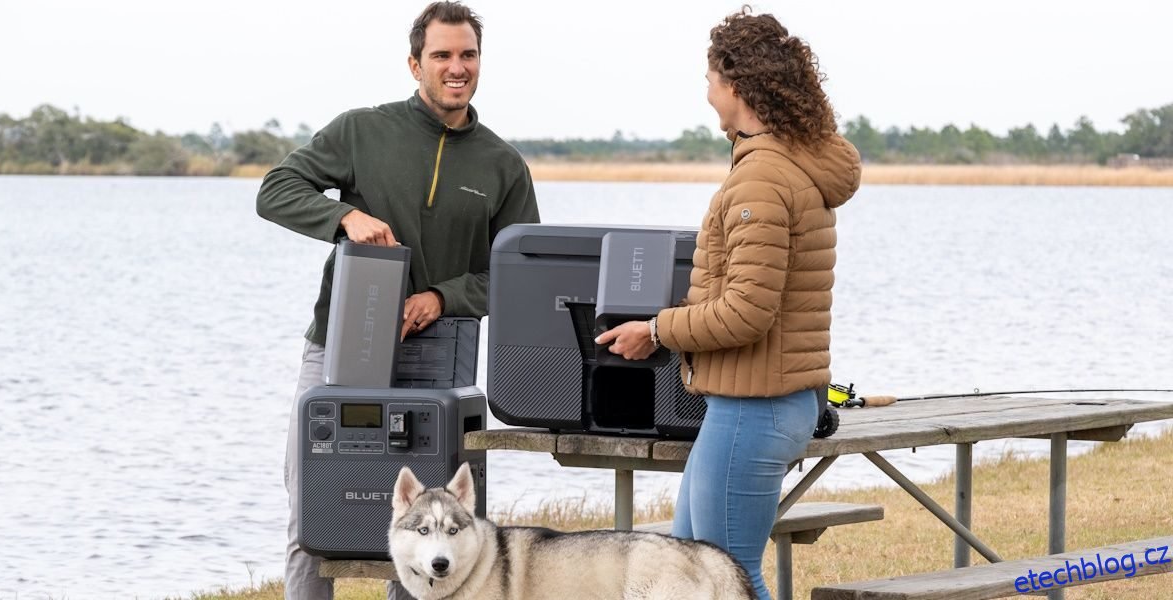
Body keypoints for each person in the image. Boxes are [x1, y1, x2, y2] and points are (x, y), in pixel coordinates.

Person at [255, 2, 539, 599]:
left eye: (467, 55)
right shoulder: (362, 130)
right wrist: (345, 217)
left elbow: (515, 275)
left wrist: (444, 295)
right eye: (442, 55)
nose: (456, 67)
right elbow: (275, 189)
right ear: (415, 64)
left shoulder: (503, 164)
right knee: (314, 501)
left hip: (442, 351)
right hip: (341, 344)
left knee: (434, 516)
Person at [594, 7, 861, 599]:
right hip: (759, 406)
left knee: (728, 578)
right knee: (688, 573)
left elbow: (747, 310)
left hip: (754, 410)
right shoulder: (786, 166)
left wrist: (657, 330)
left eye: (710, 78)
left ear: (736, 86)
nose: (707, 91)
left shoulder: (762, 179)